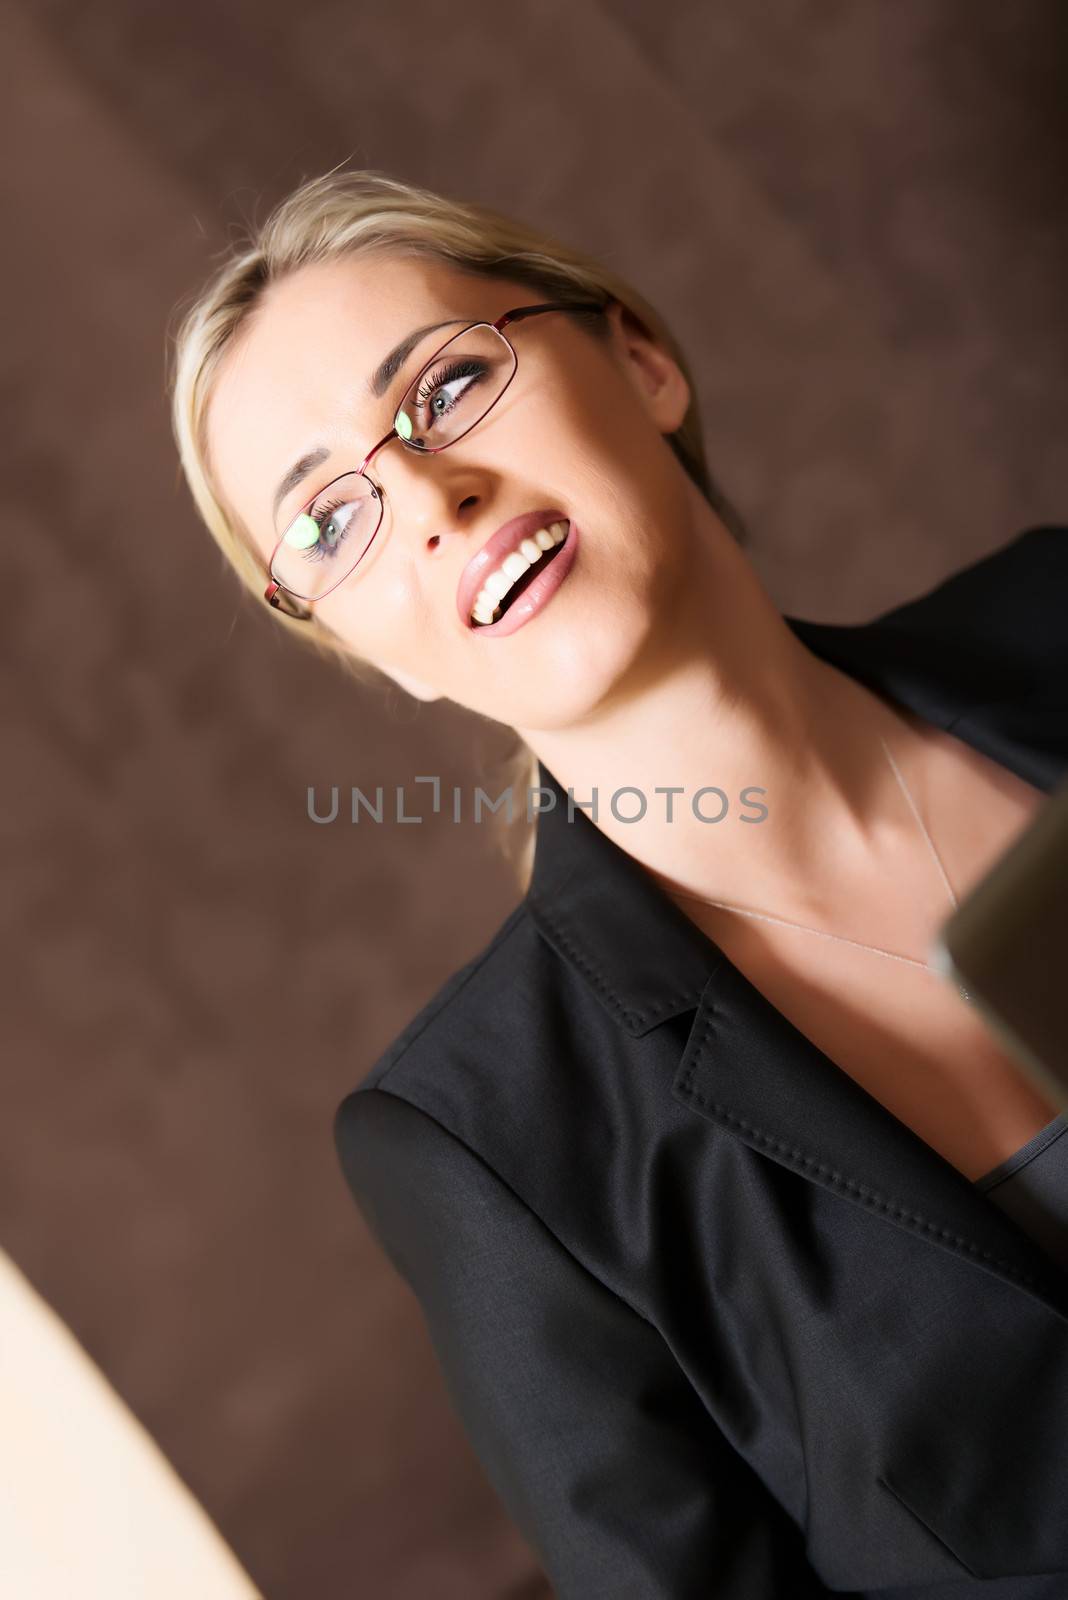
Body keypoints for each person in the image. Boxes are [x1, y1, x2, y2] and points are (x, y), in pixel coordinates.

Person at [168, 165, 1068, 1597]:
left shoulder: (1054, 612)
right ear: (372, 652)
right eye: (330, 523)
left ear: (639, 359)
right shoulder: (485, 1145)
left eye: (449, 386)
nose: (425, 492)